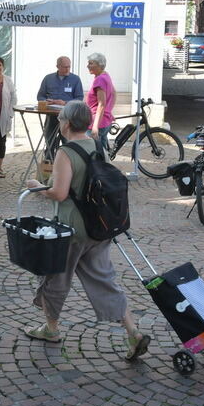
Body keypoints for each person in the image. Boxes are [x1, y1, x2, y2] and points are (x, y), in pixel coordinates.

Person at [24, 100, 150, 361]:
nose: (59, 124)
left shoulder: (65, 152)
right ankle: (133, 332)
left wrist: (37, 185)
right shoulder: (96, 144)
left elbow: (58, 193)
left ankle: (51, 329)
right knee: (104, 280)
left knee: (55, 278)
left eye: (60, 120)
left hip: (71, 229)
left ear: (67, 123)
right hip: (98, 227)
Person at [37, 56, 84, 161]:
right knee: (49, 141)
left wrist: (65, 103)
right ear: (58, 66)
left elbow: (79, 99)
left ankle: (68, 164)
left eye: (69, 67)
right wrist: (47, 101)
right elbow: (40, 96)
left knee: (68, 142)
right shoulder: (48, 78)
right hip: (51, 116)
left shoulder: (75, 79)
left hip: (68, 117)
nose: (67, 69)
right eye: (65, 67)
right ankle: (48, 167)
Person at [85, 53, 116, 156]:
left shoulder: (100, 79)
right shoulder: (105, 75)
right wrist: (109, 111)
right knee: (102, 154)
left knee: (91, 153)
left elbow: (101, 104)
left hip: (97, 121)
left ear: (99, 65)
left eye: (91, 63)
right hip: (105, 120)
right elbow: (114, 93)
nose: (88, 65)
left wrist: (95, 127)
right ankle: (104, 170)